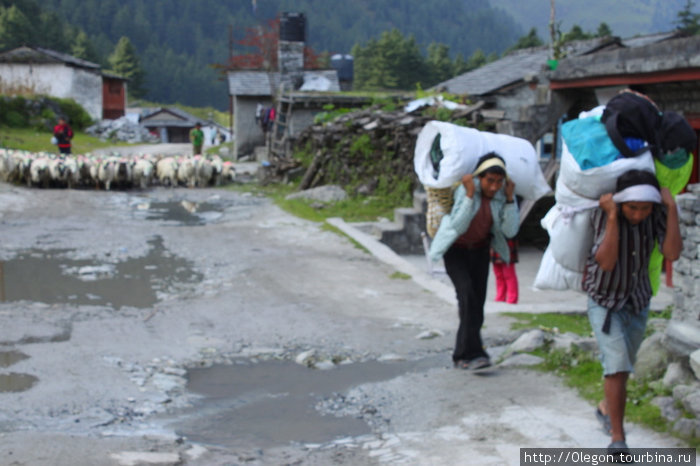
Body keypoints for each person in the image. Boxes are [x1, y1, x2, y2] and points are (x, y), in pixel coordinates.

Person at [584, 169, 681, 455]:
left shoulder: (657, 215)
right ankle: (618, 438)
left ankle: (605, 408)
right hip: (605, 301)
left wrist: (671, 208)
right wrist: (613, 216)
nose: (638, 215)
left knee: (624, 368)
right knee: (616, 366)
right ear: (621, 202)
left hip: (637, 300)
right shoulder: (604, 214)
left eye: (645, 208)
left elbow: (672, 253)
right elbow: (606, 263)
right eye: (632, 208)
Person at [429, 152, 519, 371]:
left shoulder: (503, 197)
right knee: (467, 295)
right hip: (455, 251)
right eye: (490, 181)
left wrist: (509, 200)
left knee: (476, 303)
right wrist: (469, 195)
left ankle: (470, 353)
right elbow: (458, 225)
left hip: (479, 251)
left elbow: (510, 230)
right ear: (479, 178)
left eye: (499, 182)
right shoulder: (464, 191)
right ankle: (466, 354)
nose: (494, 186)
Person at [491, 237, 519, 304]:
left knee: (508, 273)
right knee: (498, 273)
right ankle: (500, 296)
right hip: (495, 241)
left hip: (507, 241)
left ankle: (512, 297)